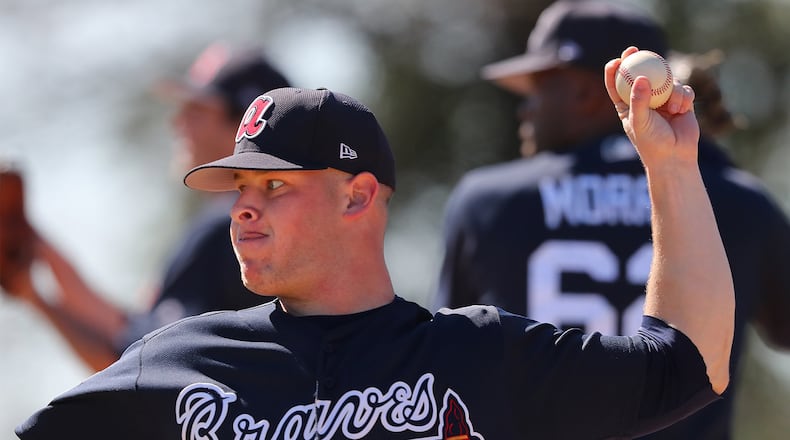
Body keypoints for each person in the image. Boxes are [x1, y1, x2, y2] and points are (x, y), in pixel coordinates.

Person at [16, 50, 734, 438]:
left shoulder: (476, 358)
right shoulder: (178, 362)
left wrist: (670, 168)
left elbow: (688, 366)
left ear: (358, 195)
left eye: (274, 188)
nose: (241, 210)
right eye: (238, 188)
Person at [433, 1, 790, 438]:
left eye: (538, 87)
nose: (524, 108)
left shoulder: (487, 202)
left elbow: (447, 369)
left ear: (586, 94)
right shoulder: (738, 201)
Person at [0, 42, 291, 371]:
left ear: (245, 125)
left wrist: (39, 296)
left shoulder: (229, 227)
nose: (177, 122)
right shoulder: (275, 222)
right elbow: (130, 333)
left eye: (196, 109)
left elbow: (138, 363)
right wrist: (36, 265)